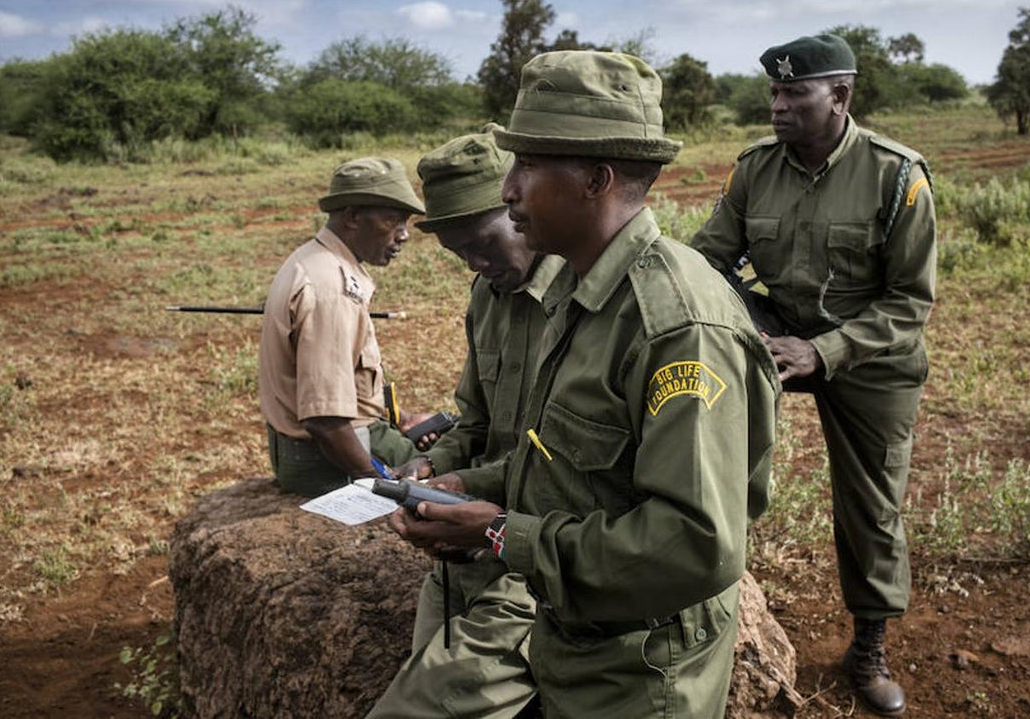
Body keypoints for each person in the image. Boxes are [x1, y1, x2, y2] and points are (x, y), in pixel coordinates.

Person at [385, 50, 780, 719]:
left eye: (528, 165)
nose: (508, 189)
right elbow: (564, 462)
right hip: (572, 638)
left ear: (596, 179)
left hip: (640, 670)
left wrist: (503, 534)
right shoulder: (580, 290)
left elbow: (695, 545)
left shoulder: (678, 326)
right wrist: (469, 486)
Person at [689, 34, 937, 717]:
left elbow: (910, 303)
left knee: (872, 503)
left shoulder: (897, 175)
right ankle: (700, 597)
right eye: (774, 91)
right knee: (695, 438)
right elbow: (708, 260)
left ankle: (869, 646)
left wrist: (823, 352)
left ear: (841, 96)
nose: (778, 106)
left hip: (870, 356)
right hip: (775, 337)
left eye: (795, 93)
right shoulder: (755, 170)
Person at [366, 126, 560, 718]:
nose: (474, 263)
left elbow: (560, 462)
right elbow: (475, 420)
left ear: (519, 207)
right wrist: (431, 466)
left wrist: (465, 491)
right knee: (425, 662)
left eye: (483, 243)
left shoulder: (585, 303)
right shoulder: (489, 294)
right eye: (458, 253)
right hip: (472, 551)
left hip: (543, 558)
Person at [258, 157, 429, 498]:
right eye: (392, 220)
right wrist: (379, 483)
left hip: (327, 445)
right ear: (352, 217)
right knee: (452, 470)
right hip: (331, 460)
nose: (404, 235)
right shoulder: (332, 289)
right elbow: (325, 420)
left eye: (405, 222)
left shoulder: (312, 259)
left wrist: (402, 417)